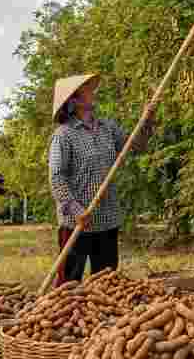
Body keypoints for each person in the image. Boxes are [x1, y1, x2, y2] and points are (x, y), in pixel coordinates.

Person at [48, 73, 153, 286]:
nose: (93, 92)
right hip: (77, 223)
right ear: (74, 100)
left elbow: (137, 146)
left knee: (107, 285)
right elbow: (57, 177)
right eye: (87, 89)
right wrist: (77, 210)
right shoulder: (64, 135)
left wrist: (147, 121)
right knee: (68, 285)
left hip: (107, 220)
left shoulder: (108, 128)